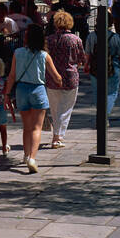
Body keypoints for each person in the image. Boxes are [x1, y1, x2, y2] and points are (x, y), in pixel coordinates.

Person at [2, 24, 63, 174]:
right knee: (37, 127)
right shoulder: (44, 55)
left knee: (27, 127)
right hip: (38, 90)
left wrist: (7, 94)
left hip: (21, 90)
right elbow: (57, 77)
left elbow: (12, 76)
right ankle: (32, 159)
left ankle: (26, 154)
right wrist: (60, 81)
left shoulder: (18, 53)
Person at [45, 9, 86, 149]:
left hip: (52, 77)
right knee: (66, 108)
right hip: (70, 77)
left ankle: (57, 135)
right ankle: (57, 136)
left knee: (55, 108)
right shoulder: (76, 39)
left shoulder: (49, 40)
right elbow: (82, 59)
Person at [84, 15, 120, 120]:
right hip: (113, 67)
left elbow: (88, 53)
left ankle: (100, 114)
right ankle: (105, 115)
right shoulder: (115, 37)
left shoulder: (91, 36)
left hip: (95, 68)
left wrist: (86, 65)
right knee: (112, 92)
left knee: (97, 93)